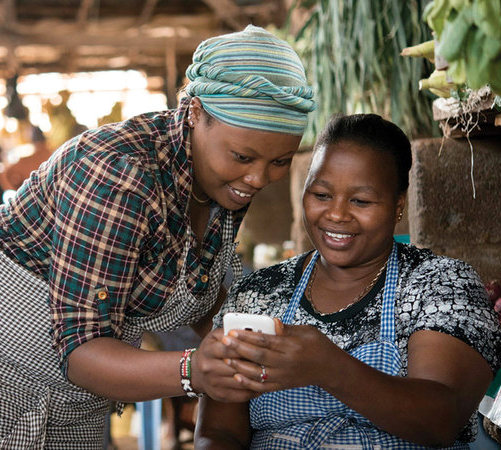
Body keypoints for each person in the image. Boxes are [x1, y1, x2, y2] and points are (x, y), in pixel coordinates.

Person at [0, 25, 316, 449]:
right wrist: (193, 370)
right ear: (196, 112)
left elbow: (197, 293)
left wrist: (259, 337)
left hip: (71, 382)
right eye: (244, 156)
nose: (258, 178)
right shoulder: (120, 174)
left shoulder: (225, 178)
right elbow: (83, 352)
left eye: (280, 162)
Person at [194, 113, 501, 449]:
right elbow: (218, 432)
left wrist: (329, 367)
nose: (336, 214)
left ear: (399, 205)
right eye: (322, 195)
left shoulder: (441, 286)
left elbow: (442, 420)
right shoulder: (258, 295)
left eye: (361, 201)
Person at [0, 126, 52, 192]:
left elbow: (3, 174)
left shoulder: (26, 160)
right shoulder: (52, 154)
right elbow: (4, 175)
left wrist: (17, 193)